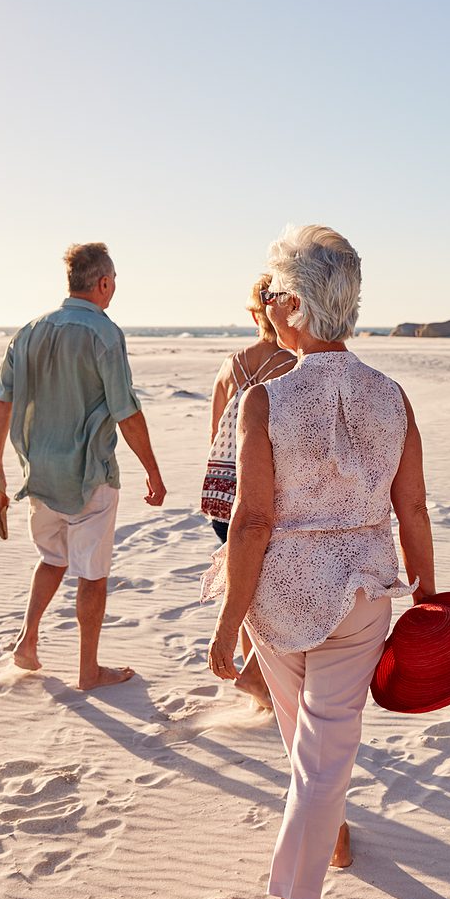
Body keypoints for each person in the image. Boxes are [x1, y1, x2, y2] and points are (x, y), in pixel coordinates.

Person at [204, 225, 434, 899]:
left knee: (308, 744)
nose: (266, 307)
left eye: (273, 296)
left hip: (279, 599)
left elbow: (253, 521)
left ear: (295, 306)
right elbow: (415, 511)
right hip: (362, 592)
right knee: (323, 749)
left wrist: (228, 620)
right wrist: (429, 589)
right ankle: (316, 859)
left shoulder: (265, 400)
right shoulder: (391, 395)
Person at [0, 242, 166, 691]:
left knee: (52, 557)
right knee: (92, 573)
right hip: (89, 475)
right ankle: (88, 670)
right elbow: (126, 411)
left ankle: (27, 643)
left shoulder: (28, 330)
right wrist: (153, 470)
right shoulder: (105, 334)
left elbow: (2, 402)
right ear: (103, 283)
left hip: (38, 473)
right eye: (114, 281)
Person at [201, 275, 297, 709]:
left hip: (223, 494)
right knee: (270, 588)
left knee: (243, 581)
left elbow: (214, 433)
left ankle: (254, 680)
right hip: (262, 495)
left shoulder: (231, 364)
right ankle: (260, 677)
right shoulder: (293, 366)